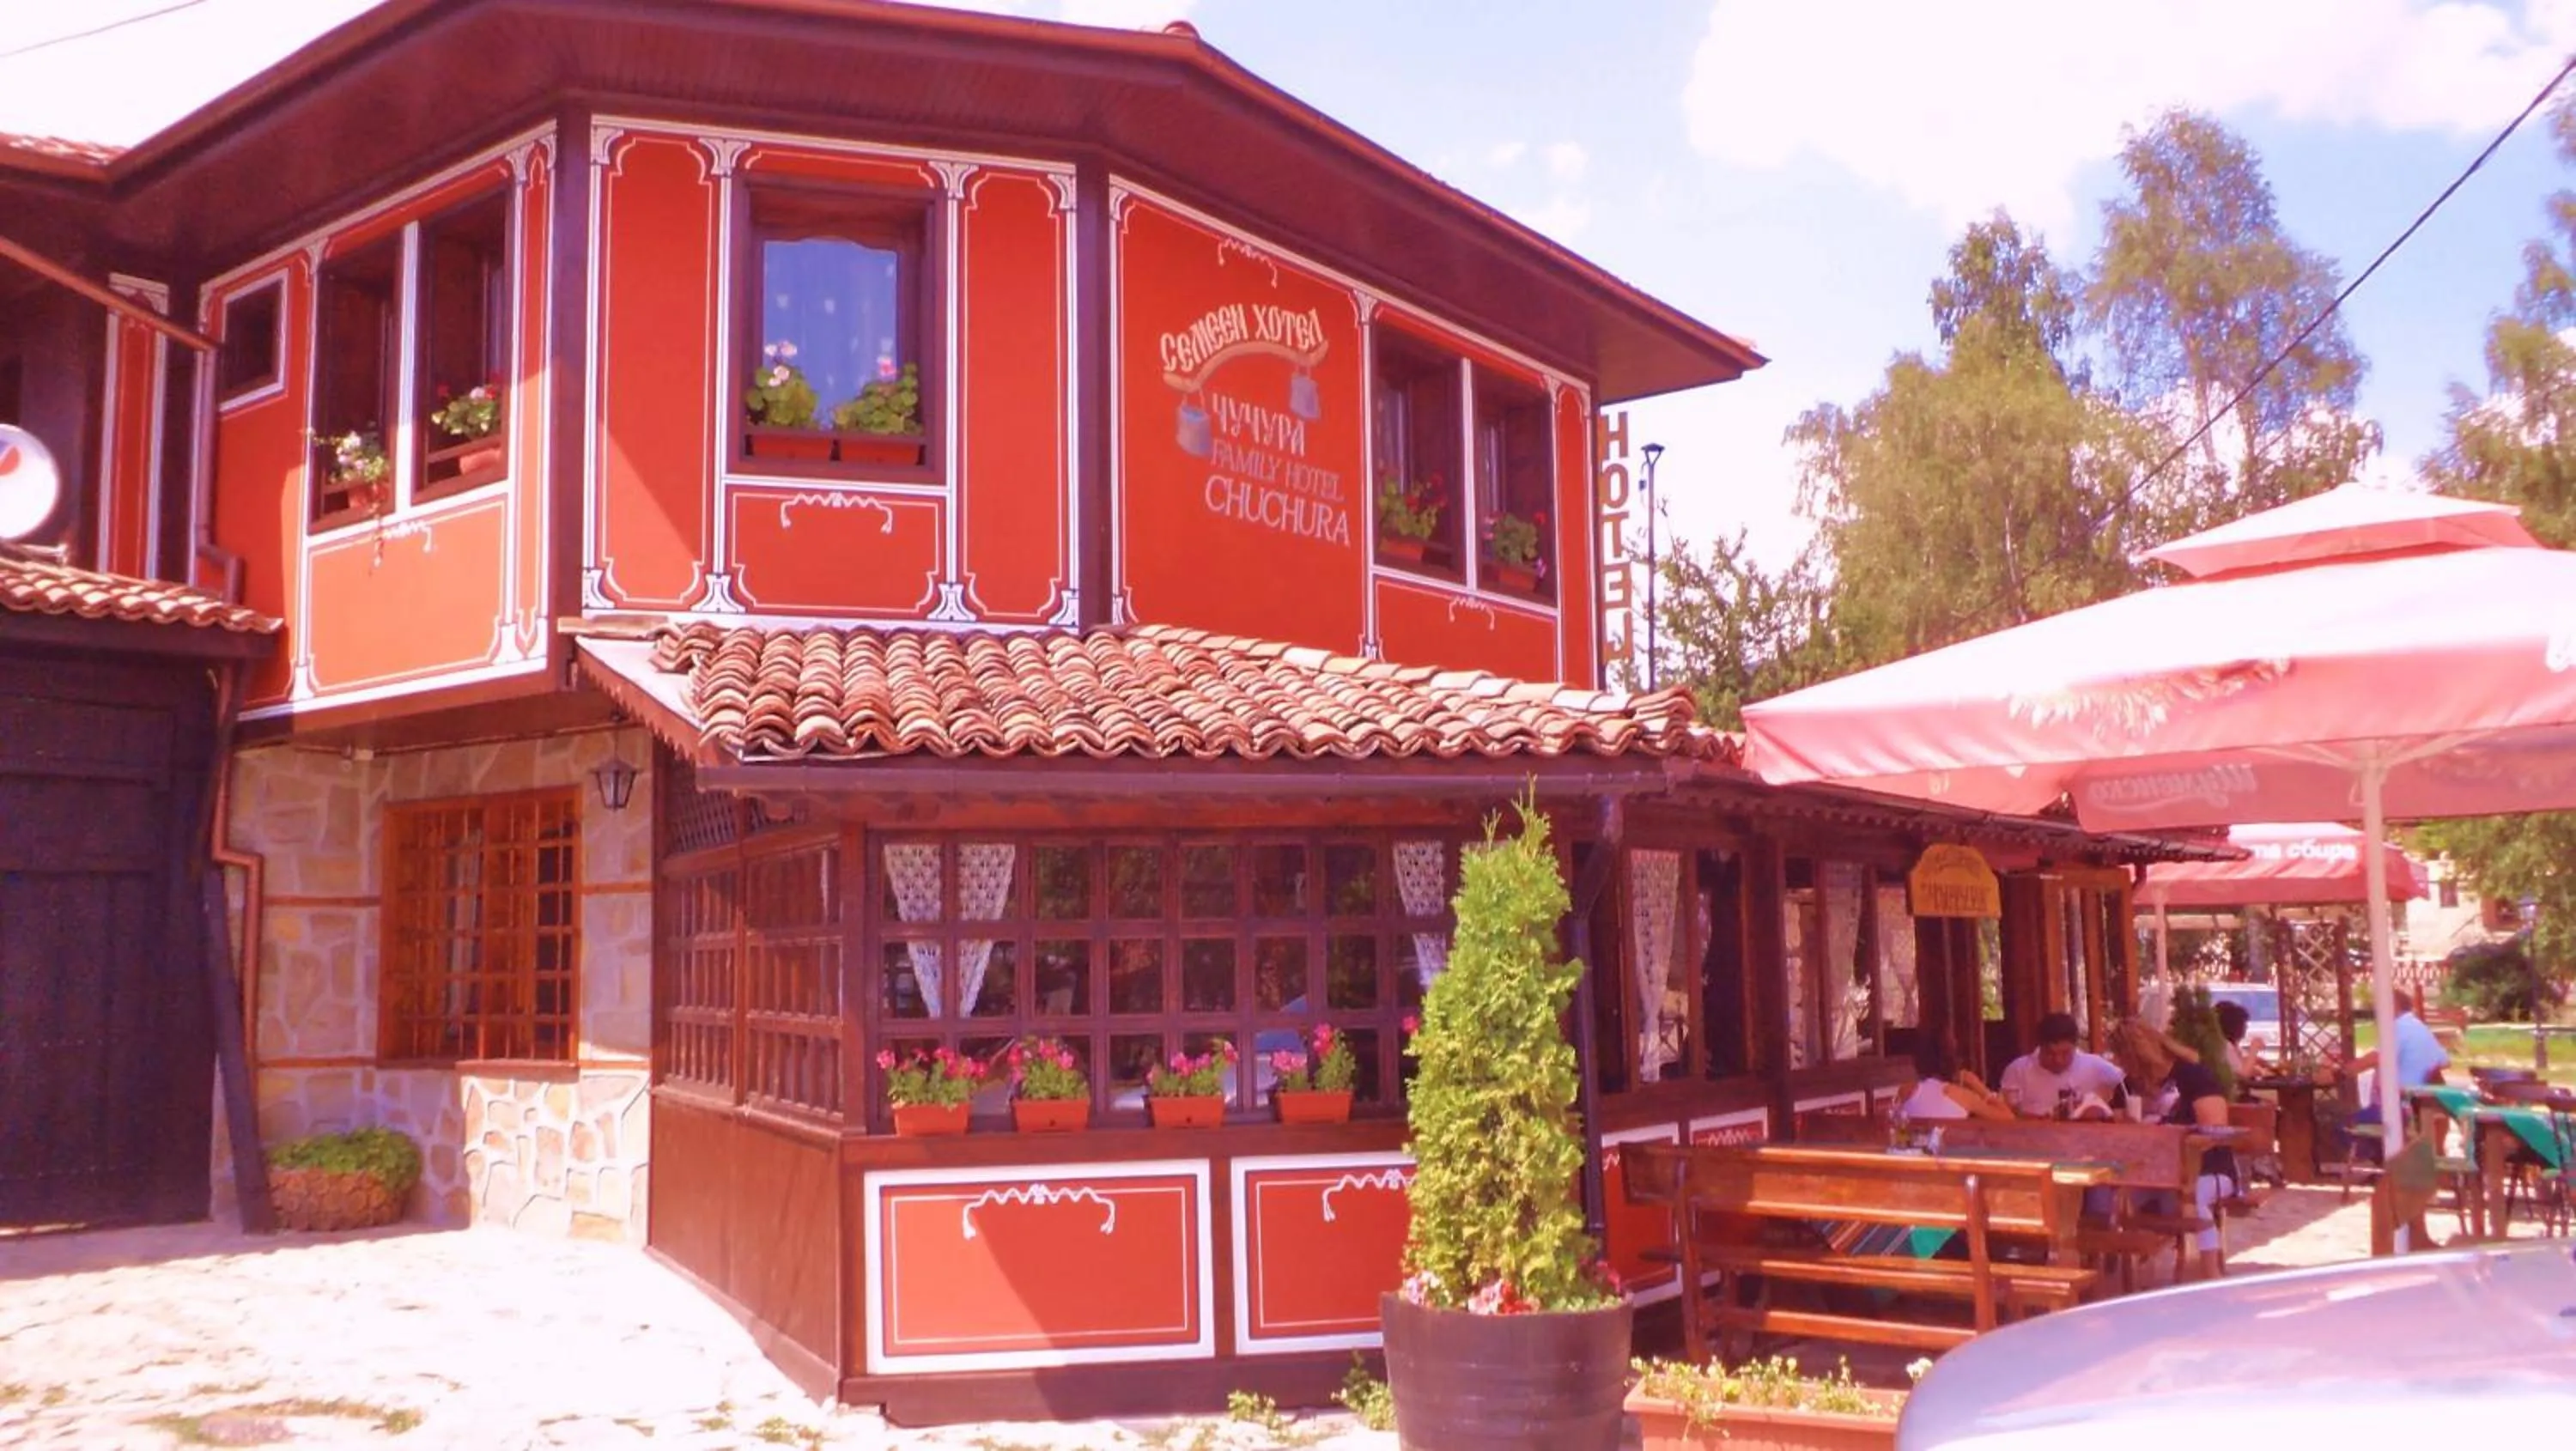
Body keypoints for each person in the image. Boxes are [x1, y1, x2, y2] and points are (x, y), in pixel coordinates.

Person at [2107, 1017, 2239, 1281]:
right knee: (2115, 1198)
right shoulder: (2129, 1085)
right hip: (2153, 1171)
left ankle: (2210, 1274)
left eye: (2124, 1058)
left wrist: (2169, 1135)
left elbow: (2216, 1129)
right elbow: (2118, 1124)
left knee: (2193, 1196)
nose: (2120, 1066)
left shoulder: (2192, 1075)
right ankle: (2127, 1272)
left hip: (2208, 1167)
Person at [1998, 1012, 2128, 1120]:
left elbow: (2127, 1084)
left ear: (2075, 1046)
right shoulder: (2018, 1070)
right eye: (2050, 1054)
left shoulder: (2096, 1066)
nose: (2058, 1060)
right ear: (2040, 1046)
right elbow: (2007, 1112)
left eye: (2065, 1054)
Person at [1898, 1035, 2015, 1122]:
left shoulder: (1906, 1091)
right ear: (1953, 1062)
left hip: (1916, 1153)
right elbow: (2008, 1117)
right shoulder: (1963, 1096)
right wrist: (1980, 1088)